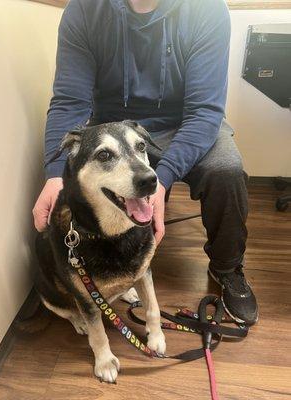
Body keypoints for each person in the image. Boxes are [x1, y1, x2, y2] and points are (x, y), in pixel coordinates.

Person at [33, 0, 258, 325]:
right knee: (76, 173)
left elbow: (204, 113)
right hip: (115, 127)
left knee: (226, 170)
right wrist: (54, 174)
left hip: (186, 122)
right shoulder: (83, 9)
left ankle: (227, 267)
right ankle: (101, 270)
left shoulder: (207, 9)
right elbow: (70, 102)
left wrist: (162, 177)